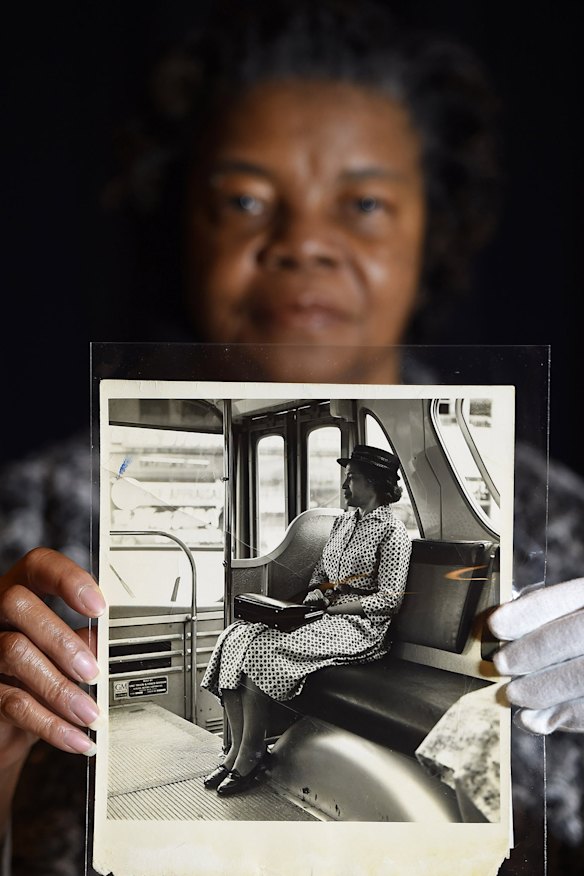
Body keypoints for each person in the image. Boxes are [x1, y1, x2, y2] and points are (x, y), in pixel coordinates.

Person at [1, 1, 583, 873]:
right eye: (243, 199)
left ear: (435, 228)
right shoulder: (32, 509)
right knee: (239, 637)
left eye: (365, 203)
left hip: (356, 630)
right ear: (180, 225)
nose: (304, 242)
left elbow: (375, 601)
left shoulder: (563, 525)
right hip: (326, 621)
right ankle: (244, 755)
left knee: (254, 639)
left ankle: (246, 752)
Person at [201, 445, 411, 795]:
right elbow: (323, 571)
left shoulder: (393, 531)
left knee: (262, 651)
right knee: (235, 636)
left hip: (360, 628)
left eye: (352, 479)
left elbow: (389, 600)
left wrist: (336, 610)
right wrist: (315, 591)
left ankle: (253, 753)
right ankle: (236, 752)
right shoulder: (344, 523)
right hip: (324, 614)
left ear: (373, 483)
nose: (345, 486)